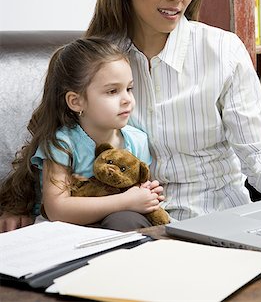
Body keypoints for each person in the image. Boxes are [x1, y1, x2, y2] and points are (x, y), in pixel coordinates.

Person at [0, 0, 261, 231]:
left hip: (223, 217)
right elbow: (56, 137)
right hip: (136, 223)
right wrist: (15, 206)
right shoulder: (97, 62)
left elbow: (257, 153)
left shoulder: (224, 51)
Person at [0, 37, 163, 232]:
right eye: (112, 91)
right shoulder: (62, 143)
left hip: (118, 223)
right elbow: (57, 209)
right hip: (67, 228)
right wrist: (125, 201)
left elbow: (138, 191)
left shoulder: (137, 140)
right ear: (76, 102)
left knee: (126, 221)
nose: (127, 99)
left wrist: (148, 195)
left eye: (129, 89)